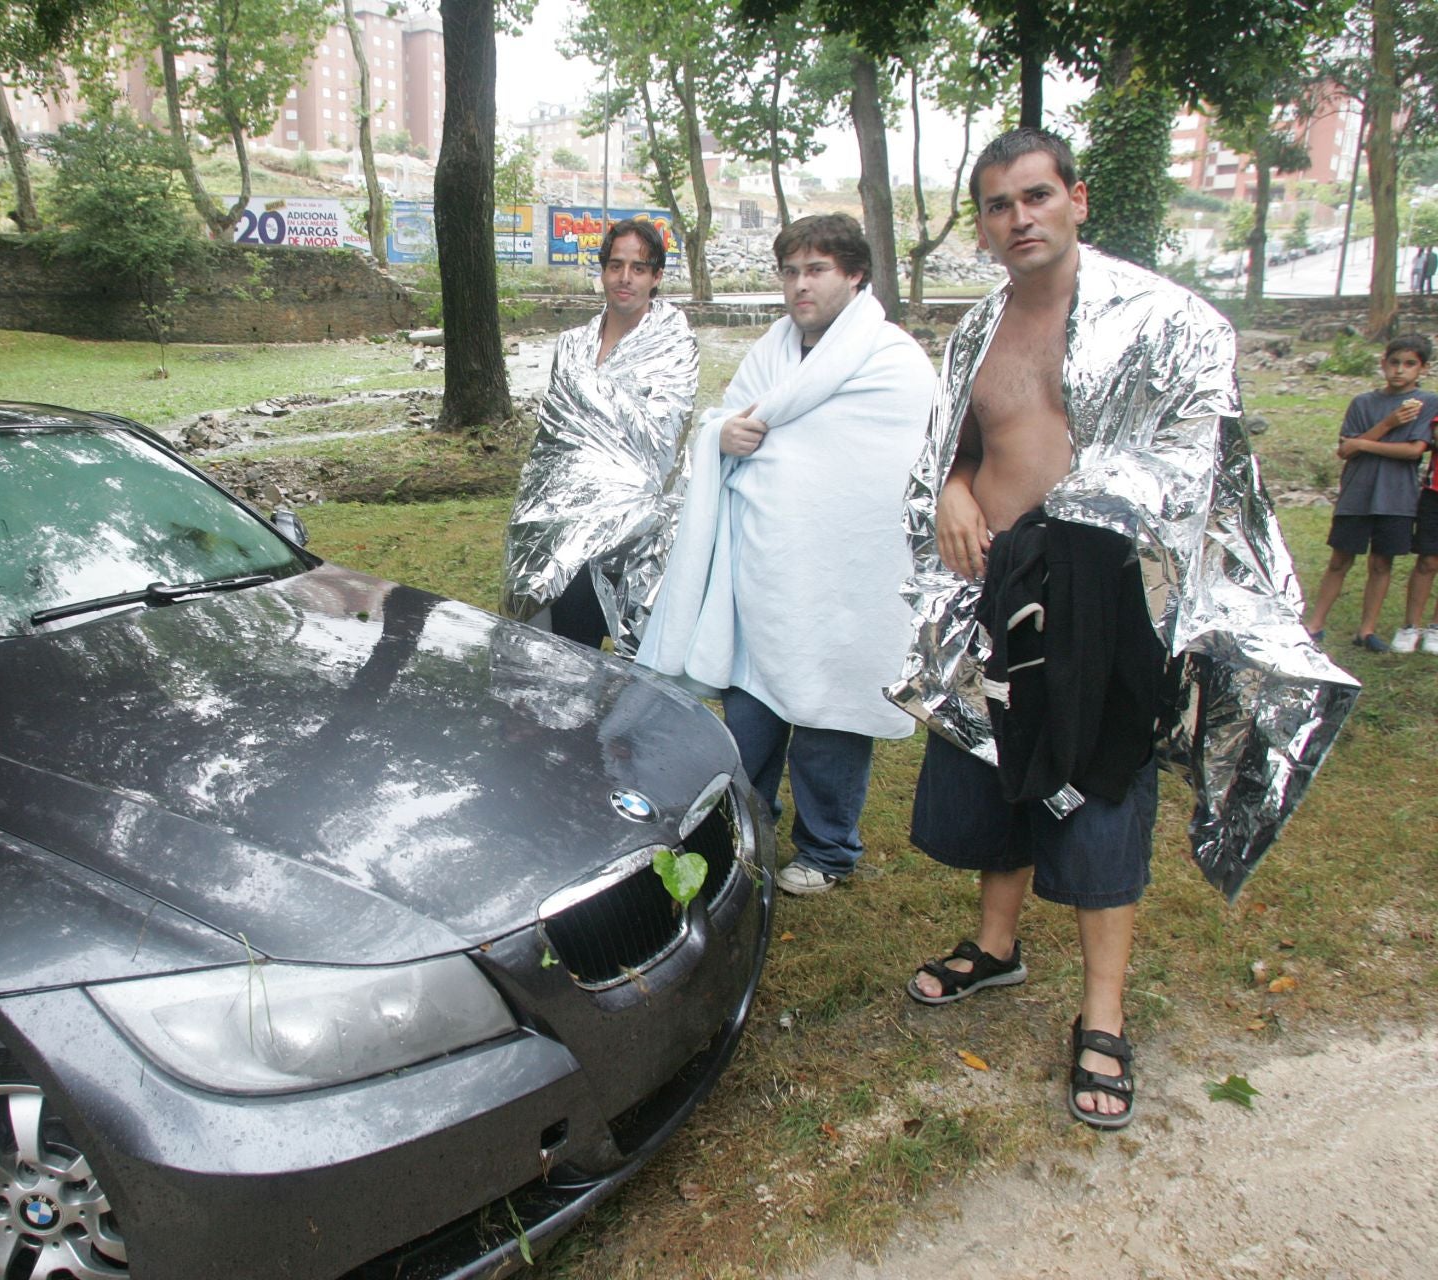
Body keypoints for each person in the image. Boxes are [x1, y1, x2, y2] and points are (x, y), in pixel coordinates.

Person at [888, 129, 1357, 1131]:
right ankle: (997, 946)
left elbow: (1196, 461)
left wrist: (1071, 526)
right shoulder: (976, 329)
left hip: (1108, 603)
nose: (1021, 218)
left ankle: (1102, 1014)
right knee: (997, 766)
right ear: (982, 224)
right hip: (993, 592)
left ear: (1077, 199)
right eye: (1000, 205)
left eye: (1037, 195)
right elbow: (954, 449)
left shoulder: (1169, 318)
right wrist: (958, 491)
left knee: (1102, 794)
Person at [637, 214, 935, 895]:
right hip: (765, 566)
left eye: (817, 270)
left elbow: (898, 467)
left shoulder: (893, 362)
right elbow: (728, 419)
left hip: (844, 575)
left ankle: (828, 849)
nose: (801, 285)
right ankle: (748, 826)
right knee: (750, 714)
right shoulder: (772, 352)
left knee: (830, 712)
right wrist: (721, 437)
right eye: (791, 271)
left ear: (855, 274)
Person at [501, 218, 699, 655]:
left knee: (636, 668)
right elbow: (551, 438)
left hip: (636, 531)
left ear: (656, 277)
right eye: (615, 266)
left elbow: (661, 440)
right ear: (603, 271)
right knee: (568, 650)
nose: (625, 278)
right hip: (565, 523)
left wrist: (592, 406)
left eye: (639, 268)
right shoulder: (572, 346)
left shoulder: (675, 345)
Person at [1302, 335, 1436, 651]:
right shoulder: (1363, 403)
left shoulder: (1427, 403)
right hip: (1357, 493)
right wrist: (1388, 424)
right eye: (1394, 363)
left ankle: (1367, 630)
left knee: (1381, 563)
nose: (1399, 371)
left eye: (1409, 364)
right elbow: (1347, 449)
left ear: (1422, 368)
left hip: (1398, 497)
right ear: (1383, 363)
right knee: (1340, 559)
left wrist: (1363, 443)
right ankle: (1315, 623)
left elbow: (1414, 450)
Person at [1371, 337, 1438, 651]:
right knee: (1427, 560)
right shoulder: (1432, 404)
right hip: (1435, 491)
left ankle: (1436, 628)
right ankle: (1411, 625)